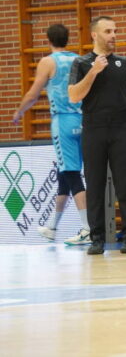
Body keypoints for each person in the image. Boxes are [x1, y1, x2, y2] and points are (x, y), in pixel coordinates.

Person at [68, 16, 126, 254]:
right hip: (94, 129)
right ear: (94, 35)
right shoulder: (82, 63)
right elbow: (74, 95)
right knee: (94, 184)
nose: (113, 35)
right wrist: (93, 72)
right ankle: (97, 237)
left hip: (121, 128)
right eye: (108, 31)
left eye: (115, 30)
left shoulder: (123, 63)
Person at [12, 23, 90, 246]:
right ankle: (53, 226)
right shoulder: (79, 59)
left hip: (63, 120)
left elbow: (33, 93)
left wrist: (20, 111)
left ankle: (87, 228)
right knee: (64, 175)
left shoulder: (48, 62)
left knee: (72, 173)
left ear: (48, 39)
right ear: (68, 38)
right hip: (83, 119)